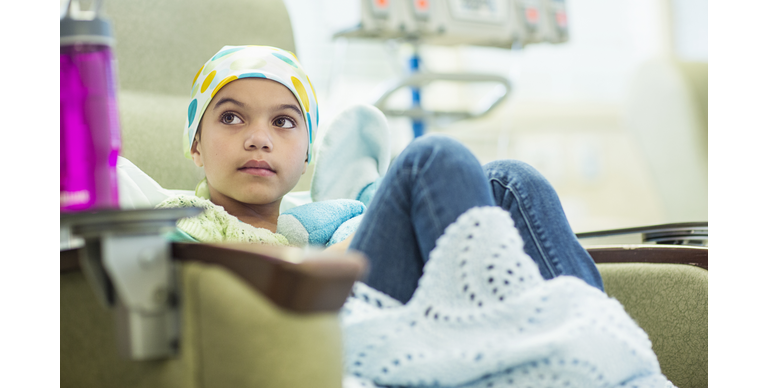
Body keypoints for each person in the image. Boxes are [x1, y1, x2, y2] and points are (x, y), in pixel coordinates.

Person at [158, 45, 674, 388]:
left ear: (307, 153)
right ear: (196, 145)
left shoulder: (317, 219)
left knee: (512, 180)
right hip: (316, 328)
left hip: (381, 304)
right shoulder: (183, 220)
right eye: (230, 116)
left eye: (284, 121)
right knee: (435, 159)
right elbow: (213, 308)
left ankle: (618, 367)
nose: (259, 136)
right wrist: (332, 261)